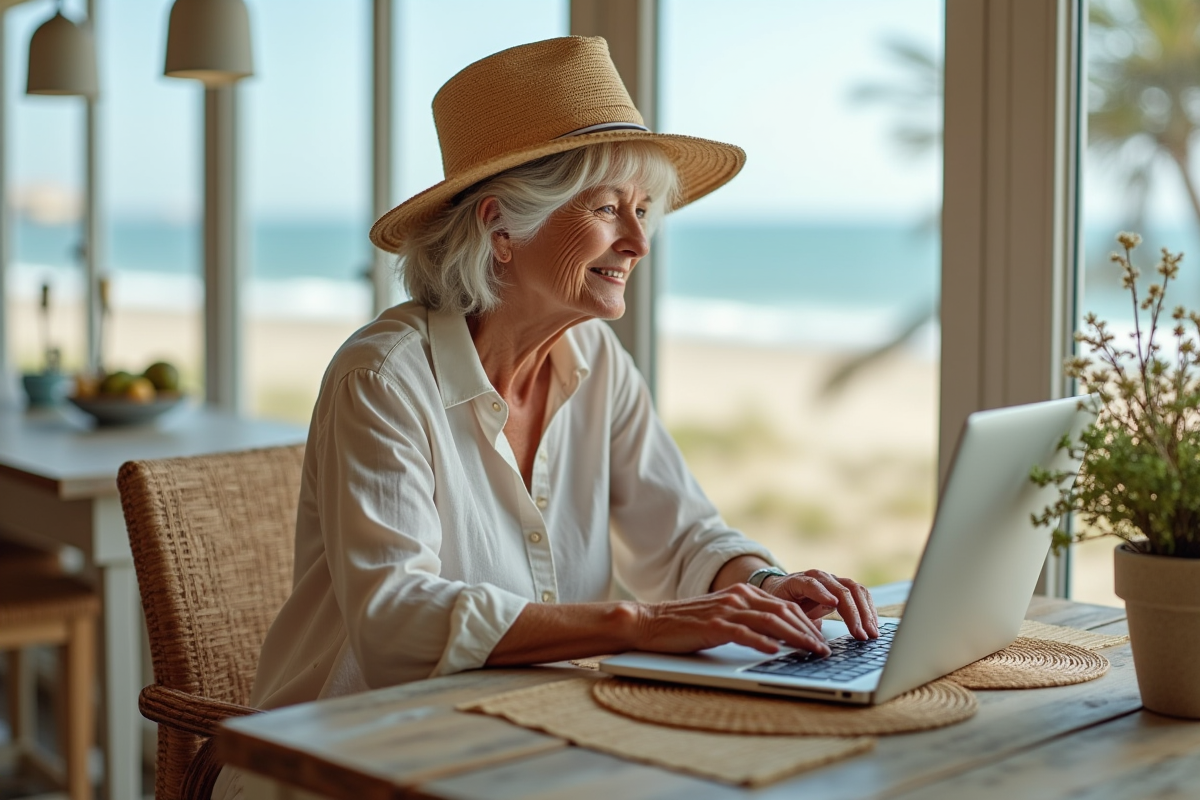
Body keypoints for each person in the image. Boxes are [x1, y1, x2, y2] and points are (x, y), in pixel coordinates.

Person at [251, 34, 879, 716]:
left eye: (643, 210)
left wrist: (764, 584)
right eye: (607, 208)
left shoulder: (597, 361)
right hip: (356, 742)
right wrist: (638, 624)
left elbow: (681, 536)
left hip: (529, 727)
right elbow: (396, 621)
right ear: (501, 226)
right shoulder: (382, 379)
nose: (637, 243)